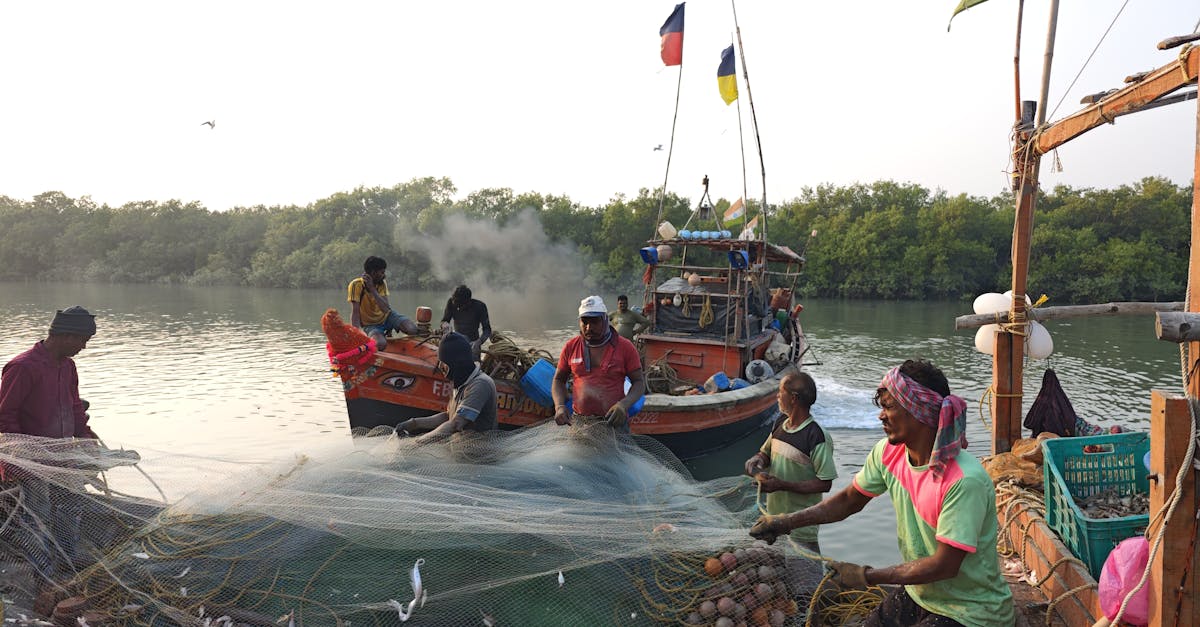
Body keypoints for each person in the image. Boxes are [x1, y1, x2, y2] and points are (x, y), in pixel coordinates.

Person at [750, 359, 1014, 627]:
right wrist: (785, 522)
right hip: (921, 594)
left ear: (919, 411)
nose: (881, 415)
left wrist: (867, 576)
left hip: (972, 611)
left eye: (889, 407)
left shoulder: (964, 481)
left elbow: (944, 566)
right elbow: (849, 500)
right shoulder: (889, 452)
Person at [743, 371, 836, 554]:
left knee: (804, 578)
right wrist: (757, 462)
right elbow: (766, 453)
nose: (777, 396)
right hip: (772, 522)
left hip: (801, 528)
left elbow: (825, 483)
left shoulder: (816, 436)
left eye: (780, 392)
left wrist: (782, 485)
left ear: (793, 398)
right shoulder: (780, 423)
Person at [0, 306, 99, 439]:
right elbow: (5, 415)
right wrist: (23, 449)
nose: (83, 347)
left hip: (62, 450)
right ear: (67, 337)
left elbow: (75, 407)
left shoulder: (68, 366)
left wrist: (85, 436)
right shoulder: (22, 367)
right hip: (27, 453)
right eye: (83, 341)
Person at [551, 296, 645, 433]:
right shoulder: (571, 347)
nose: (589, 327)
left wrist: (623, 405)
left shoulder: (625, 347)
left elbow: (638, 382)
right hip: (580, 423)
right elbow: (559, 379)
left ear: (605, 320)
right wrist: (559, 406)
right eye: (584, 322)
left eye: (595, 322)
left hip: (614, 423)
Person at [397, 332, 497, 443]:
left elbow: (455, 424)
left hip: (476, 457)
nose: (442, 370)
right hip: (459, 449)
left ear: (457, 364)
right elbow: (448, 416)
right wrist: (414, 423)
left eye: (444, 366)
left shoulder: (481, 384)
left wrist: (417, 443)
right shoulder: (460, 383)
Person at [348, 256, 418, 350]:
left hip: (387, 317)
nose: (384, 275)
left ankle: (390, 332)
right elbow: (355, 313)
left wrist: (373, 289)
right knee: (380, 344)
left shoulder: (381, 283)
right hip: (370, 325)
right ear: (373, 273)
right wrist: (355, 335)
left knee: (412, 329)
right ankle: (378, 337)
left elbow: (385, 309)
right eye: (382, 272)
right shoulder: (355, 285)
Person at [440, 284, 491, 360]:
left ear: (468, 302)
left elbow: (487, 330)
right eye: (457, 306)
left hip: (473, 344)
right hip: (456, 341)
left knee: (473, 366)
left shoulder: (480, 307)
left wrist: (479, 342)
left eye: (460, 306)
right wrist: (445, 325)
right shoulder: (452, 302)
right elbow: (444, 320)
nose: (458, 308)